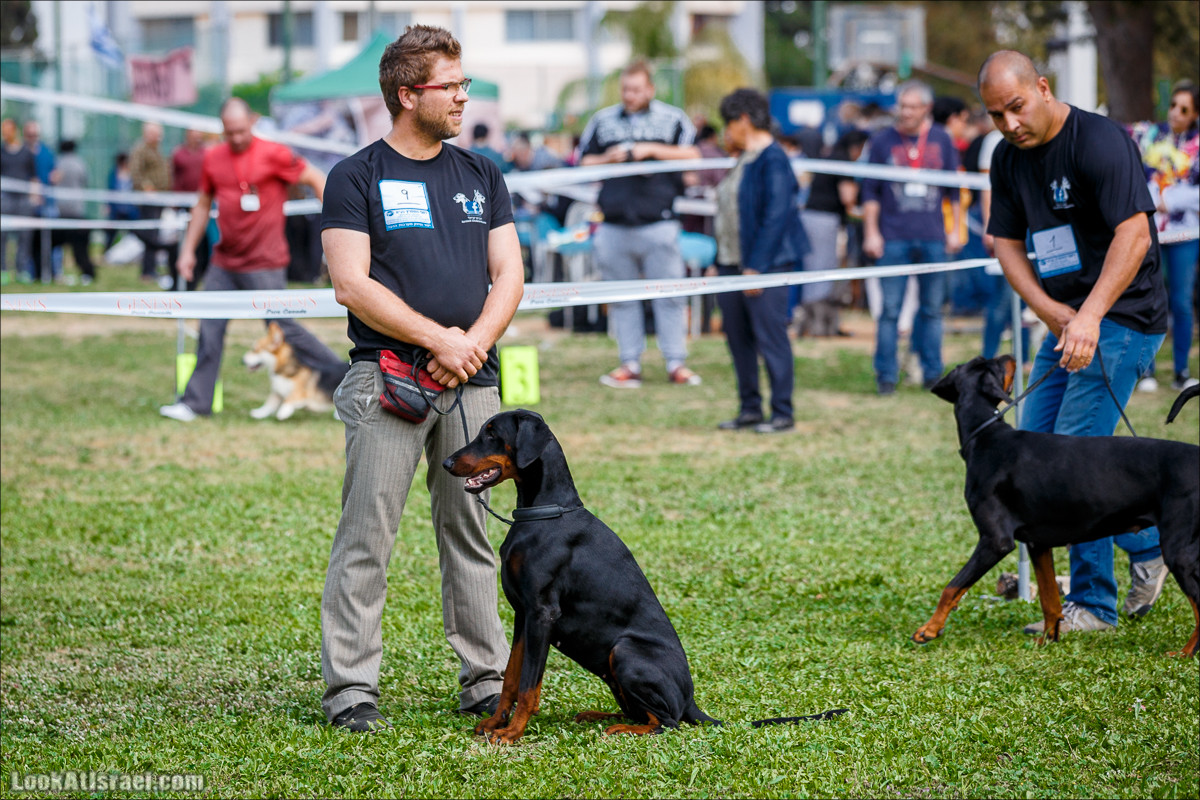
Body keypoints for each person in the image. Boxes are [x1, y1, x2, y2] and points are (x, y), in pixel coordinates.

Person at [318, 24, 524, 732]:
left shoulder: (483, 173)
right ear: (409, 94)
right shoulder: (356, 175)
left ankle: (487, 677)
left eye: (464, 84)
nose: (464, 97)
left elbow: (510, 274)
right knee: (366, 537)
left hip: (475, 385)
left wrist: (470, 346)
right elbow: (350, 282)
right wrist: (439, 339)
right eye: (451, 86)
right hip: (389, 382)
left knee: (469, 533)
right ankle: (350, 689)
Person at [979, 50, 1170, 636]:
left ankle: (1095, 604)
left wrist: (1089, 316)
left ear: (1042, 86)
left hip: (1124, 317)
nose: (1010, 124)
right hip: (1067, 318)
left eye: (1016, 107)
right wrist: (1050, 310)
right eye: (996, 115)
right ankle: (1149, 544)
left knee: (1076, 466)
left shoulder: (1100, 141)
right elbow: (1005, 241)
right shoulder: (1008, 159)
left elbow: (1134, 235)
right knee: (1034, 457)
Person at [159, 98, 347, 423]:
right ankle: (195, 403)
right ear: (221, 130)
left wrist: (338, 228)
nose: (236, 138)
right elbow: (203, 204)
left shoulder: (274, 153)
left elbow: (316, 177)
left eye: (242, 131)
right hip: (224, 262)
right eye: (229, 132)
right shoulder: (213, 158)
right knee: (209, 328)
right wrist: (188, 250)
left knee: (285, 329)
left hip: (266, 262)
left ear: (253, 122)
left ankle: (348, 384)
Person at [577, 60, 703, 388]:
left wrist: (651, 151)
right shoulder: (602, 120)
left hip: (658, 223)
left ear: (650, 89)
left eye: (636, 89)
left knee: (671, 295)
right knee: (622, 298)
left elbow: (694, 156)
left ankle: (676, 363)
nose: (630, 95)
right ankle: (629, 363)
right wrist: (609, 159)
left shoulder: (674, 118)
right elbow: (582, 161)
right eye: (625, 89)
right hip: (614, 225)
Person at [710, 89, 810, 434]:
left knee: (771, 339)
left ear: (744, 121)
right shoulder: (744, 158)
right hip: (730, 265)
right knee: (738, 339)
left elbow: (776, 215)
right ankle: (749, 408)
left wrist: (756, 266)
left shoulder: (773, 159)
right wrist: (719, 259)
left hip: (764, 266)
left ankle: (782, 411)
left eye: (729, 123)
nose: (726, 131)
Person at [861, 80, 963, 395]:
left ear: (926, 109)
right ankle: (886, 376)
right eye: (901, 106)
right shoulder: (881, 141)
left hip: (933, 236)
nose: (905, 112)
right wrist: (871, 232)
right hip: (893, 237)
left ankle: (933, 374)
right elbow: (870, 192)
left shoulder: (942, 140)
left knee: (932, 308)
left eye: (911, 107)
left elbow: (954, 191)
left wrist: (956, 228)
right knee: (890, 310)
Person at [1129, 80, 1200, 392]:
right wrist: (1150, 202)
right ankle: (1147, 370)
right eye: (1173, 105)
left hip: (1186, 232)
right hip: (1152, 231)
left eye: (1183, 109)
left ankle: (1182, 371)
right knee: (1151, 298)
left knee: (1181, 302)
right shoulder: (1152, 135)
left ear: (1194, 114)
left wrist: (1168, 201)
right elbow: (1135, 172)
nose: (1175, 113)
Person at [797, 128, 869, 337]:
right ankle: (818, 326)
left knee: (813, 270)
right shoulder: (843, 161)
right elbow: (848, 199)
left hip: (811, 217)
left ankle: (810, 324)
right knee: (823, 271)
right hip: (825, 220)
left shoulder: (830, 157)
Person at [129, 121, 176, 284]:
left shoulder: (156, 149)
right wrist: (147, 189)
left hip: (160, 199)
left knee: (153, 234)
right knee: (150, 235)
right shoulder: (140, 149)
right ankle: (148, 271)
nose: (158, 137)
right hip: (149, 200)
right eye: (155, 133)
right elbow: (135, 173)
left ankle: (150, 269)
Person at [49, 140, 97, 285]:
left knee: (53, 245)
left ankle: (53, 271)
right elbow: (85, 180)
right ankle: (87, 273)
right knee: (81, 248)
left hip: (61, 212)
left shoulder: (58, 162)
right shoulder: (79, 163)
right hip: (77, 212)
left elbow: (53, 180)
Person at [170, 129, 209, 291]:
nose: (197, 138)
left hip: (203, 204)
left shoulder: (206, 153)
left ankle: (196, 279)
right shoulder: (178, 154)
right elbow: (173, 177)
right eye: (194, 135)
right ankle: (177, 282)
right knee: (177, 245)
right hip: (182, 207)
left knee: (202, 246)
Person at [1, 117, 38, 284]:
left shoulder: (26, 152)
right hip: (5, 198)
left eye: (7, 129)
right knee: (3, 236)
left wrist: (34, 196)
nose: (4, 133)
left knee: (25, 236)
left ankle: (22, 270)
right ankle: (3, 271)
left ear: (14, 130)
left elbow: (33, 177)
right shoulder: (1, 151)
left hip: (23, 199)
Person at [24, 120, 59, 282]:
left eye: (35, 135)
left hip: (48, 202)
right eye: (30, 135)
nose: (33, 137)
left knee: (53, 240)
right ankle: (31, 273)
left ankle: (54, 272)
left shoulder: (47, 152)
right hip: (28, 202)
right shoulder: (22, 152)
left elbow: (55, 172)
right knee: (30, 240)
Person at [104, 152, 139, 251]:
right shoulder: (114, 173)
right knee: (111, 232)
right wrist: (108, 205)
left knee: (134, 233)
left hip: (130, 208)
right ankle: (107, 252)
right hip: (117, 208)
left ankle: (132, 252)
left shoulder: (132, 174)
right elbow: (110, 190)